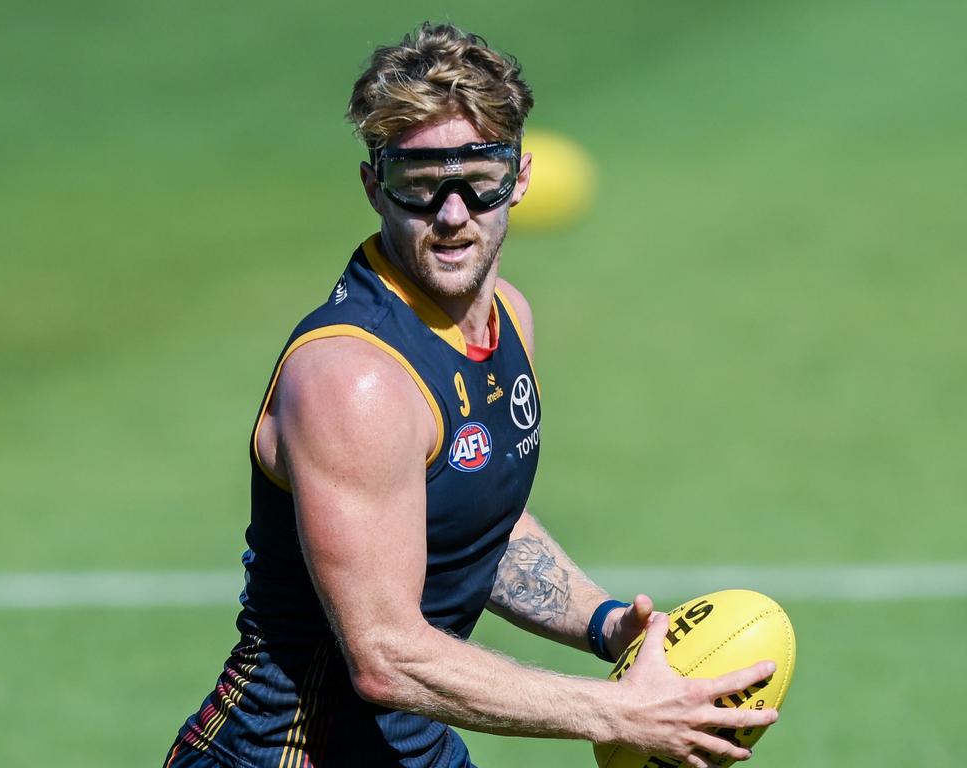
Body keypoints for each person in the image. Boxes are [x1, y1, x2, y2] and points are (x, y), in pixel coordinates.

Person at [164, 22, 778, 768]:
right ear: (373, 188)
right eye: (420, 187)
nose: (452, 214)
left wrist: (608, 624)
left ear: (519, 177)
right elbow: (387, 655)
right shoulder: (354, 381)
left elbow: (477, 521)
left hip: (411, 749)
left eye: (477, 181)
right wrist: (615, 712)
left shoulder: (507, 317)